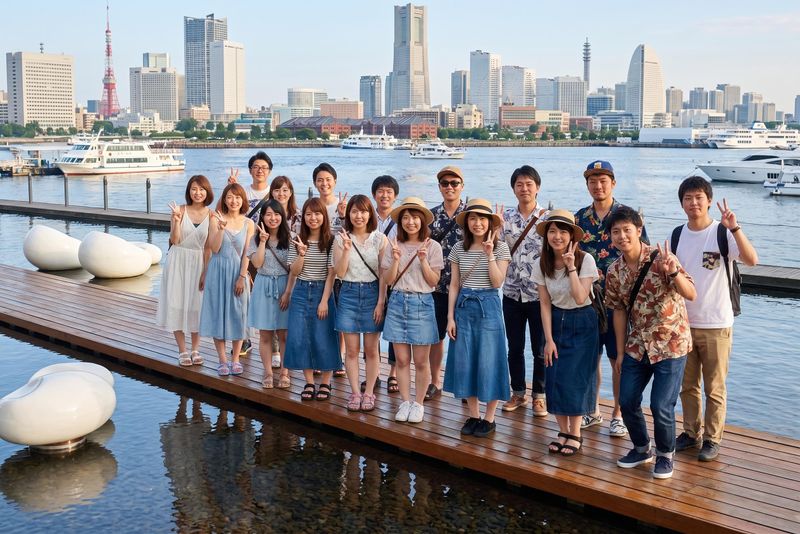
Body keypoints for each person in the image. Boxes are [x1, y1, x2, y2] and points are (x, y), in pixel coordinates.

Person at [604, 206, 696, 480]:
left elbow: (691, 293)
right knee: (627, 400)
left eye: (627, 230)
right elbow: (618, 311)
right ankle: (642, 448)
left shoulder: (662, 258)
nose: (622, 236)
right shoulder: (614, 271)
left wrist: (674, 273)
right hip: (637, 345)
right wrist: (620, 351)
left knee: (660, 405)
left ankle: (665, 454)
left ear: (639, 230)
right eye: (616, 231)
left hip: (671, 344)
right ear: (610, 236)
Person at [672, 177, 758, 462]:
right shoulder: (677, 234)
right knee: (687, 386)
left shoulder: (722, 232)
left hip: (717, 324)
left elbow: (751, 260)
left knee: (715, 387)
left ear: (709, 200)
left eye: (698, 197)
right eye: (688, 198)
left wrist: (735, 227)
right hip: (684, 324)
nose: (693, 203)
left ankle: (712, 438)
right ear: (681, 203)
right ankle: (691, 432)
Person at [575, 160, 648, 438]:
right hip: (588, 304)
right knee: (589, 360)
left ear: (613, 183)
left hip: (620, 306)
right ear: (587, 185)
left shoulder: (627, 218)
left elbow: (644, 257)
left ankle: (618, 414)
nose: (598, 186)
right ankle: (592, 410)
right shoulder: (579, 219)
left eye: (603, 181)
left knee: (619, 359)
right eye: (592, 181)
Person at [532, 210, 599, 455]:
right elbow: (544, 304)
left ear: (572, 236)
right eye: (552, 231)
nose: (557, 236)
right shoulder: (542, 263)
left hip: (583, 321)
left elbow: (581, 297)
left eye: (563, 231)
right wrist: (548, 339)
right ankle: (562, 431)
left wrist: (571, 267)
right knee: (555, 375)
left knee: (577, 378)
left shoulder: (585, 260)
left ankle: (576, 433)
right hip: (556, 320)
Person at [444, 199, 511, 438]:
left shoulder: (501, 248)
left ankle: (489, 418)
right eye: (473, 218)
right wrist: (450, 317)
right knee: (466, 361)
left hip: (489, 305)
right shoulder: (458, 248)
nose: (478, 223)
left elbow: (497, 282)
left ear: (490, 222)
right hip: (464, 305)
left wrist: (490, 254)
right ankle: (473, 415)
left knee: (490, 360)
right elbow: (454, 284)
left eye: (482, 219)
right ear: (467, 223)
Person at [382, 197, 443, 424]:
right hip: (397, 301)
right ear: (400, 222)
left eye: (415, 217)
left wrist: (424, 260)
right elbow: (388, 280)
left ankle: (418, 403)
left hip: (422, 302)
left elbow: (433, 281)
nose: (411, 222)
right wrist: (396, 260)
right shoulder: (393, 244)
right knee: (401, 359)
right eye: (406, 218)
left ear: (423, 221)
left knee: (421, 360)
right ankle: (405, 401)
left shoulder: (432, 246)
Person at [499, 165, 549, 416]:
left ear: (537, 187)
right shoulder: (505, 218)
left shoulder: (547, 219)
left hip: (539, 295)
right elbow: (496, 249)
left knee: (540, 349)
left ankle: (540, 395)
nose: (524, 189)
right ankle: (518, 392)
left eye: (529, 184)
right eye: (519, 184)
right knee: (515, 347)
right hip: (511, 292)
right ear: (513, 189)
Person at [333, 195, 389, 412]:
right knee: (352, 350)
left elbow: (383, 274)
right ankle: (355, 392)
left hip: (372, 293)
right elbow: (339, 272)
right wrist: (347, 249)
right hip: (348, 292)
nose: (359, 216)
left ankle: (369, 392)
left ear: (370, 214)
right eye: (354, 211)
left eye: (364, 211)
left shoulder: (379, 239)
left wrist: (381, 302)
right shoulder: (341, 239)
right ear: (348, 214)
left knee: (372, 349)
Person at [283, 197, 340, 401]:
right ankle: (309, 382)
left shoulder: (332, 240)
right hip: (300, 290)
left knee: (324, 336)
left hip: (322, 290)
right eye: (308, 214)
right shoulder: (297, 239)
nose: (313, 218)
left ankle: (325, 382)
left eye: (317, 214)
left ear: (324, 216)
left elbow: (332, 274)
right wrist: (301, 254)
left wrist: (324, 301)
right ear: (303, 217)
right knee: (300, 336)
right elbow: (294, 271)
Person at [199, 183, 255, 376]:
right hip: (217, 270)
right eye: (230, 197)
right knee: (218, 313)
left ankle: (236, 358)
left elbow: (247, 253)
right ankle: (222, 360)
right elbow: (214, 248)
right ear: (224, 199)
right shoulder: (215, 219)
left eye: (237, 197)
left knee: (239, 314)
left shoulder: (248, 223)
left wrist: (242, 276)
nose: (234, 201)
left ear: (243, 200)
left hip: (238, 271)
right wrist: (221, 229)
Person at [157, 175, 213, 366]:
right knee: (177, 303)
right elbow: (175, 240)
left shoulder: (211, 214)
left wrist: (206, 271)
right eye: (194, 189)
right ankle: (182, 350)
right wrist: (175, 220)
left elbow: (208, 247)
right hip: (178, 259)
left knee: (197, 305)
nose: (198, 193)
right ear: (189, 191)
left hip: (199, 261)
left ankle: (196, 349)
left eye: (201, 189)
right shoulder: (179, 210)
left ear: (207, 192)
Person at [426, 166, 465, 402]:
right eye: (445, 183)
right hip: (438, 287)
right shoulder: (430, 217)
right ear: (439, 187)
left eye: (454, 183)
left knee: (465, 338)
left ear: (462, 186)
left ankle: (465, 384)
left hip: (466, 288)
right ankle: (435, 381)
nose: (449, 187)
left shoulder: (471, 215)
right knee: (436, 336)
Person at [247, 199, 292, 389]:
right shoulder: (255, 239)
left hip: (284, 285)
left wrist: (288, 292)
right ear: (262, 217)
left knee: (284, 334)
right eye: (268, 214)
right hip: (263, 285)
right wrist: (263, 242)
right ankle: (267, 372)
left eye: (277, 214)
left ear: (282, 216)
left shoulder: (290, 238)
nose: (273, 218)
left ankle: (284, 372)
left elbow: (294, 269)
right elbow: (257, 264)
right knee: (265, 334)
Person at [370, 175, 400, 394]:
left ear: (395, 196)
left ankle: (393, 373)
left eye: (389, 191)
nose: (384, 195)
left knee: (394, 327)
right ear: (374, 195)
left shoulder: (400, 220)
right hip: (369, 277)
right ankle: (374, 374)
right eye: (380, 191)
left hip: (393, 278)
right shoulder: (366, 217)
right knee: (372, 327)